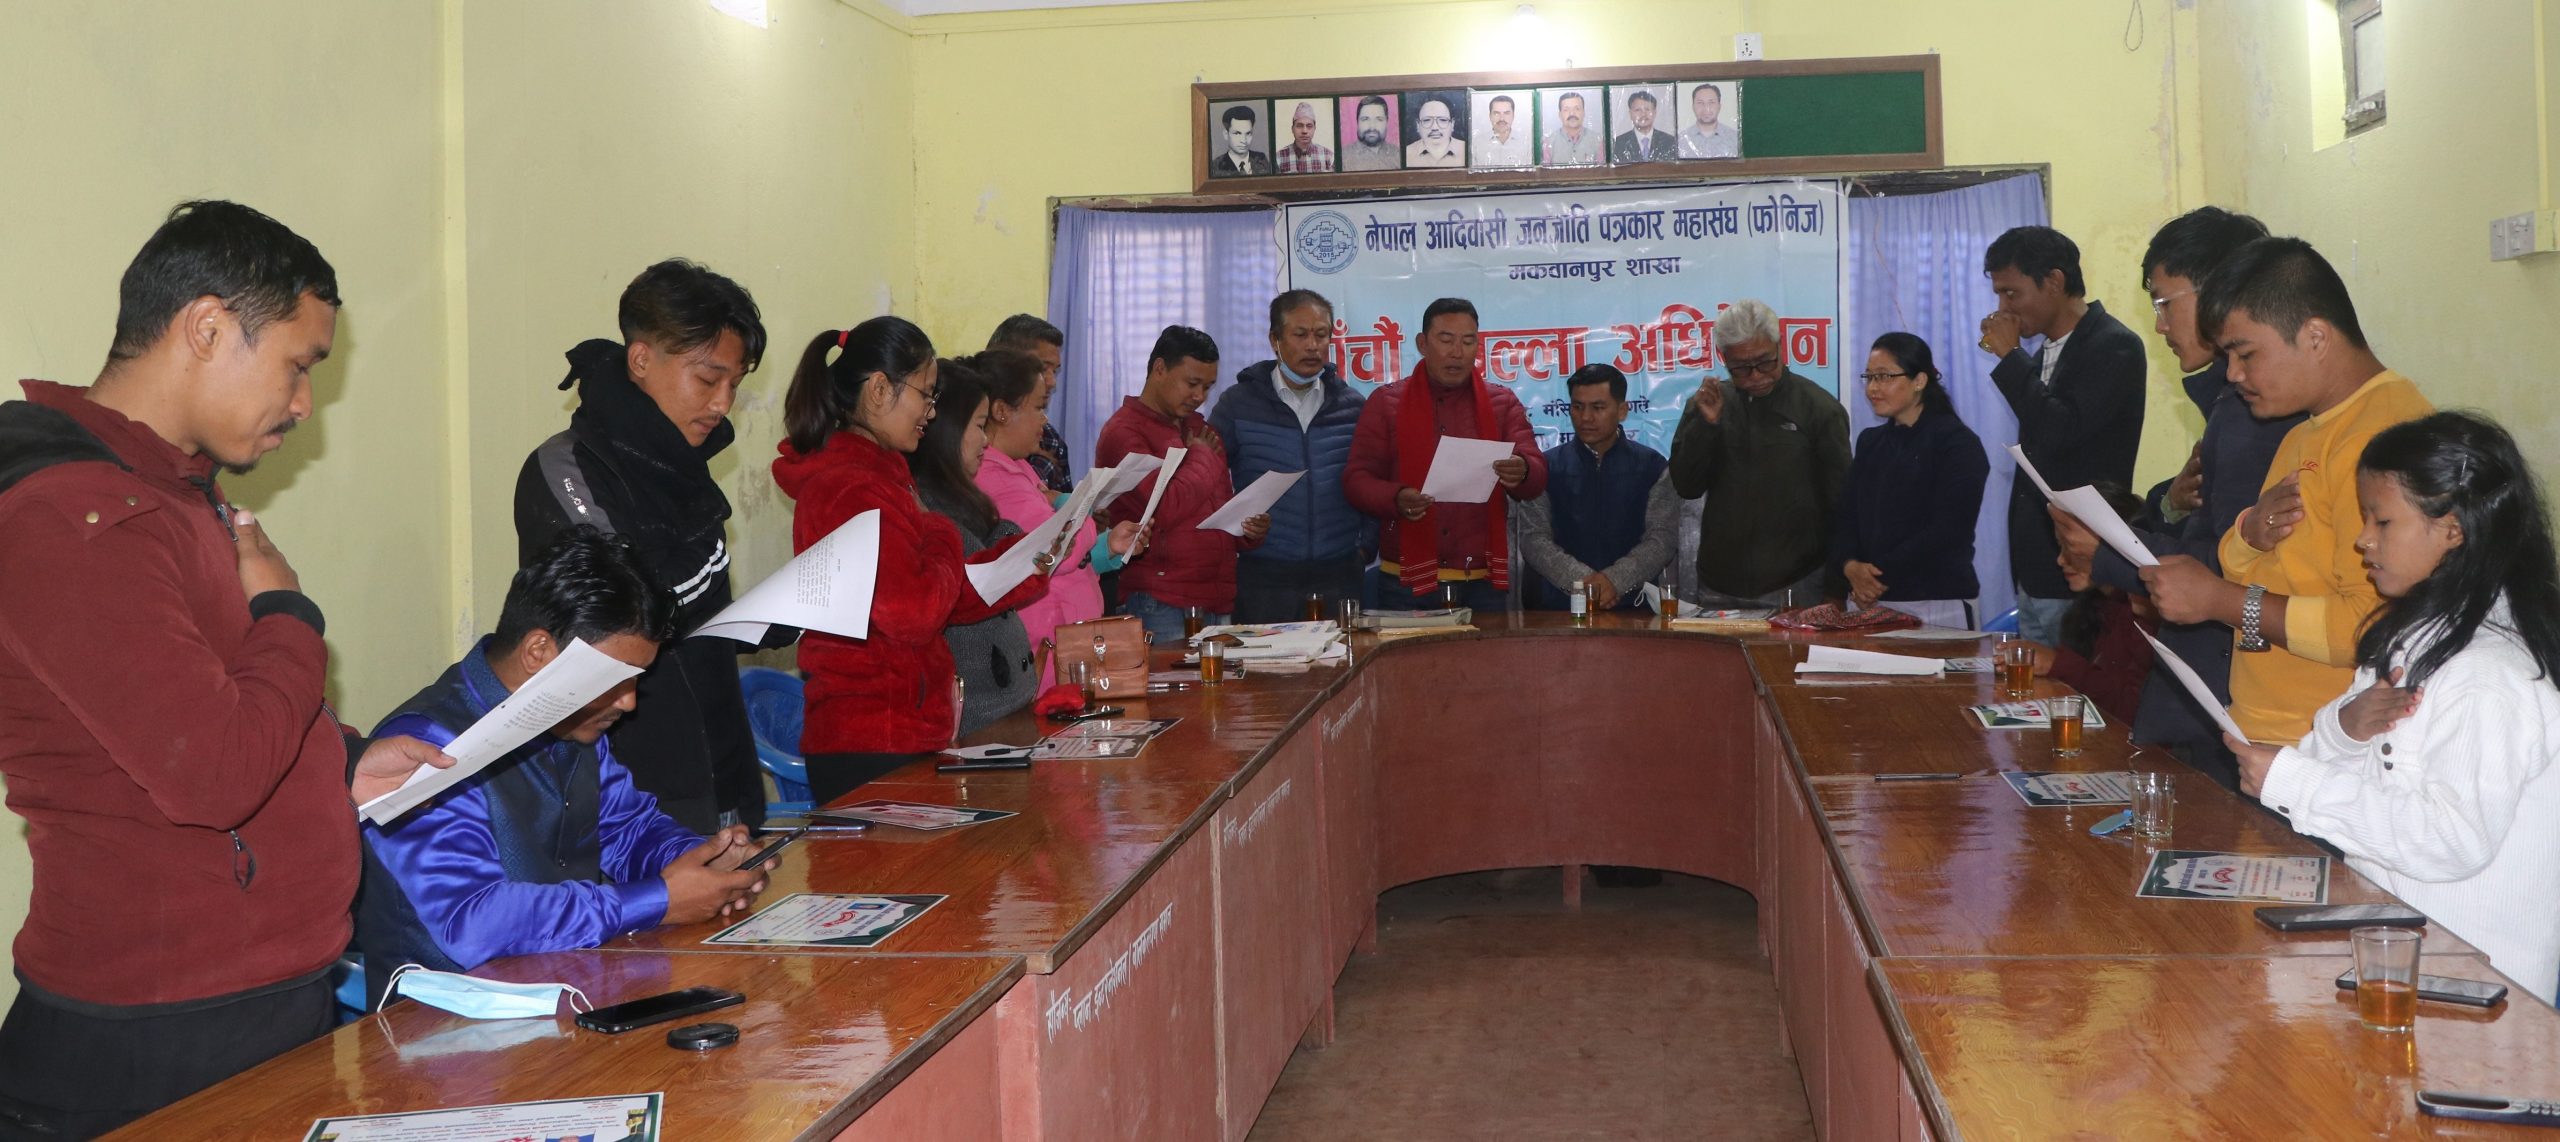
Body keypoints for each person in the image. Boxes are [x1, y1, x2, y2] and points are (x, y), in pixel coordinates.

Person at [0, 201, 449, 1137]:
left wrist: (339, 764)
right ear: (206, 329)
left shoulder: (167, 493)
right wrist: (290, 615)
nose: (304, 404)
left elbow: (207, 701)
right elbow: (212, 773)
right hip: (153, 1037)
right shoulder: (71, 516)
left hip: (254, 1004)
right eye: (298, 365)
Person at [356, 529, 769, 1006]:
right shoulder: (427, 745)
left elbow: (628, 828)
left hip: (570, 988)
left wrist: (704, 862)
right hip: (441, 1027)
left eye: (636, 680)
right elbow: (473, 921)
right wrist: (659, 899)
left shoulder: (571, 722)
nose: (629, 702)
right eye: (613, 679)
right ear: (538, 653)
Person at [2227, 412, 2560, 1003]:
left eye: (2382, 520)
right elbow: (2357, 778)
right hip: (2398, 958)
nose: (2364, 539)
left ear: (2452, 530)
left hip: (2475, 992)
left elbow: (2452, 840)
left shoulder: (2488, 675)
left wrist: (2295, 783)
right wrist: (2342, 732)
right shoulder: (2415, 640)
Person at [514, 259, 779, 834]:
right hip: (627, 794)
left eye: (734, 385)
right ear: (640, 359)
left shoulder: (684, 466)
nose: (722, 404)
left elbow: (699, 617)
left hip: (722, 769)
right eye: (708, 379)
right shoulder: (566, 468)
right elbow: (624, 613)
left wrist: (770, 616)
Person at [2140, 236, 2432, 746]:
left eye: (2246, 353)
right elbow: (2256, 571)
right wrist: (2248, 537)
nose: (2233, 374)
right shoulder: (2303, 432)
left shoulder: (2382, 436)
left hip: (2329, 743)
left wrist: (2220, 601)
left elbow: (2367, 625)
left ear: (2315, 337)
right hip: (2266, 729)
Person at [774, 317, 1052, 806]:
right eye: (926, 394)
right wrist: (938, 528)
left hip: (903, 728)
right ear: (880, 390)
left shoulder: (883, 476)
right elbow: (912, 613)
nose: (931, 411)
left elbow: (937, 595)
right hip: (870, 735)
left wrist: (1022, 566)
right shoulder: (850, 486)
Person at [2070, 207, 2298, 792]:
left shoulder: (2257, 413)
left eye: (2164, 303)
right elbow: (2211, 530)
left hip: (2234, 691)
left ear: (2220, 290)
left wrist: (2104, 553)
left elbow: (2232, 569)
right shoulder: (2226, 406)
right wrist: (2167, 507)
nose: (2159, 326)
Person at [1980, 225, 2148, 645]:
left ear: (2054, 281)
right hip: (2037, 566)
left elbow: (2060, 430)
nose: (2003, 308)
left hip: (2082, 567)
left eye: (2012, 293)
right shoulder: (2042, 354)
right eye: (1999, 295)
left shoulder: (2114, 345)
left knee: (2075, 682)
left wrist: (2010, 356)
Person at [1344, 298, 1547, 611]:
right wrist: (1396, 498)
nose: (1457, 352)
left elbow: (1536, 473)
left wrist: (1523, 471)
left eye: (1468, 341)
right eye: (1446, 339)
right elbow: (1357, 480)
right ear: (1422, 344)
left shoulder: (1502, 403)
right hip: (1406, 582)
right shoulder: (1386, 402)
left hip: (1481, 583)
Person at [972, 349, 1144, 685]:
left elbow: (1067, 550)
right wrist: (1073, 505)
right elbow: (1057, 548)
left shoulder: (1018, 466)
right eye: (1038, 407)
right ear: (1002, 411)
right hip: (1047, 645)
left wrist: (1107, 546)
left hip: (1065, 640)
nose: (1044, 420)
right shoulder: (996, 477)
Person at [1668, 299, 1851, 607]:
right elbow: (1687, 486)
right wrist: (1706, 426)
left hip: (1799, 583)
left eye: (1766, 362)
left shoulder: (1819, 409)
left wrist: (1835, 590)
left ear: (1780, 347)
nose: (1755, 376)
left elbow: (1842, 507)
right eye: (1741, 368)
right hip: (1718, 586)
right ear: (1724, 359)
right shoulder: (1709, 405)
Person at [1095, 326, 1270, 642]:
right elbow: (1164, 509)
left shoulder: (1202, 431)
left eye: (1208, 387)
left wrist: (1247, 530)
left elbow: (1218, 510)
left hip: (1217, 598)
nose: (1200, 396)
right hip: (1159, 601)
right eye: (1192, 384)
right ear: (1160, 369)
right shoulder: (1125, 433)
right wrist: (1201, 457)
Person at [1208, 290, 1370, 623]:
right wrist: (1236, 532)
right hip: (1264, 576)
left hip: (1339, 574)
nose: (1313, 345)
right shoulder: (1238, 404)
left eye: (1321, 335)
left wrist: (1365, 547)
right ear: (1275, 340)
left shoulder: (1352, 406)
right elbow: (1208, 481)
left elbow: (1370, 477)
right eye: (1300, 334)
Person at [910, 358, 1041, 734]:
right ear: (947, 430)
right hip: (977, 712)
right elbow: (968, 587)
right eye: (980, 426)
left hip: (1005, 701)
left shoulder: (964, 496)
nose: (986, 440)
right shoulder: (925, 506)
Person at [1833, 333, 1989, 630]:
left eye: (1884, 377)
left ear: (1919, 380)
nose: (1873, 388)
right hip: (1868, 599)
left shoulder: (1957, 443)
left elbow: (1949, 529)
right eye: (1869, 377)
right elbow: (1847, 517)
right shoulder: (1870, 442)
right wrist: (1850, 566)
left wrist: (1874, 576)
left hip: (1936, 601)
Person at [1517, 363, 1678, 612]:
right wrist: (1586, 585)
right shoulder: (1545, 467)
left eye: (1598, 408)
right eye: (1577, 407)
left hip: (1632, 607)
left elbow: (1662, 540)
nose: (1586, 417)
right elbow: (1533, 539)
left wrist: (1614, 581)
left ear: (1622, 411)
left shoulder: (1652, 467)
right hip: (1558, 608)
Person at [2035, 484, 2160, 723]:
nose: (2060, 560)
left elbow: (2134, 711)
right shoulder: (2097, 607)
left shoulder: (2143, 610)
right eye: (2059, 546)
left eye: (2071, 547)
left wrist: (2058, 664)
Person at [985, 314, 1070, 494]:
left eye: (1055, 371)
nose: (1052, 382)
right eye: (1042, 368)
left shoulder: (1050, 439)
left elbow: (1067, 503)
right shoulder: (967, 437)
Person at [1609, 89, 1675, 164]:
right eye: (1638, 110)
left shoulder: (1669, 141)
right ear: (1630, 114)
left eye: (1647, 109)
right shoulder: (1618, 144)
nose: (1643, 114)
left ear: (1655, 112)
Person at [1678, 83, 1739, 159]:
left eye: (1711, 102)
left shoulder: (1735, 138)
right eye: (1700, 103)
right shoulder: (1681, 140)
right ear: (1693, 106)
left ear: (1719, 106)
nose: (1706, 108)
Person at [1403, 95, 1465, 168]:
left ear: (1452, 124)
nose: (1434, 127)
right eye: (1427, 120)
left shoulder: (1465, 150)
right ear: (1418, 125)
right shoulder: (1406, 153)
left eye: (1442, 120)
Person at [1542, 91, 1602, 166]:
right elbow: (1544, 172)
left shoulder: (1598, 140)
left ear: (1583, 112)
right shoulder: (1548, 143)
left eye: (1577, 109)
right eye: (1566, 110)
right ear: (1560, 114)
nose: (1572, 113)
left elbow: (1603, 171)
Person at [1210, 104, 1272, 177]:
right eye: (1237, 133)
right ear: (1226, 134)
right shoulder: (1215, 166)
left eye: (1248, 133)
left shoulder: (1262, 159)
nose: (1243, 140)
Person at [1341, 95, 1399, 172]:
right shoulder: (1342, 157)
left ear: (1387, 122)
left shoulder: (1399, 154)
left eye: (1379, 119)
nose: (1372, 127)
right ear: (1357, 122)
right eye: (1365, 119)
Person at [1274, 101, 1334, 173]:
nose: (1304, 131)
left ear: (1314, 129)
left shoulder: (1328, 156)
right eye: (1299, 126)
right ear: (1292, 129)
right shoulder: (1279, 158)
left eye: (1309, 126)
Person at [1474, 93, 1532, 166]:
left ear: (1513, 115)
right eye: (1496, 113)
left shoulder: (1526, 143)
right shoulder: (1477, 143)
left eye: (1506, 113)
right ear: (1490, 116)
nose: (1501, 118)